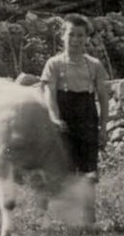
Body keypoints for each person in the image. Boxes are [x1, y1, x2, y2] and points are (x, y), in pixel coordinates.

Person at [40, 16, 111, 180]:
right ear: (62, 36)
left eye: (80, 35)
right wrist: (54, 118)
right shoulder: (54, 64)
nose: (75, 40)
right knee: (64, 169)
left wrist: (103, 126)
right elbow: (49, 93)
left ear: (86, 38)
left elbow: (103, 96)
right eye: (71, 34)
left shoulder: (94, 64)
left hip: (87, 121)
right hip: (63, 120)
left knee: (88, 170)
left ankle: (87, 204)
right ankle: (65, 205)